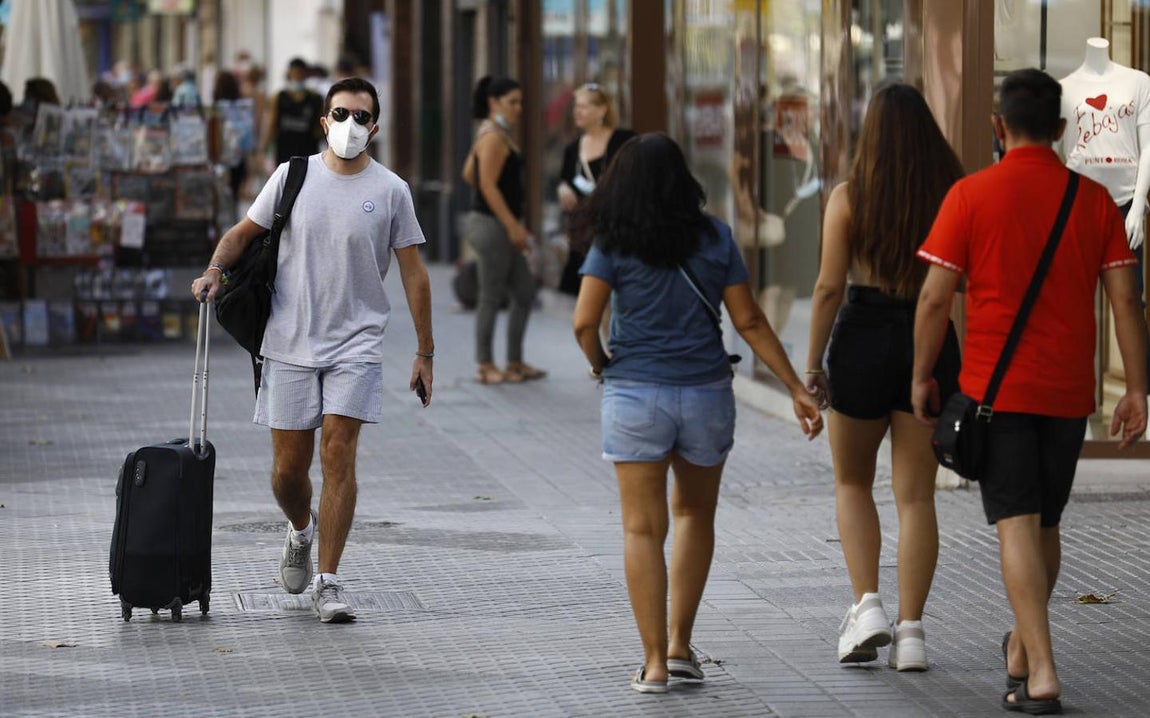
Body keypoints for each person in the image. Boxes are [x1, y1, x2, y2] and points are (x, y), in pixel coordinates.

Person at [913, 68, 1148, 713]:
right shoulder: (1093, 201)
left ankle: (1040, 670)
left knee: (1016, 524)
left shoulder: (970, 195)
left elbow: (935, 298)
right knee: (1045, 522)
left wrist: (922, 374)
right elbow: (1126, 298)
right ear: (1064, 130)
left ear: (998, 127)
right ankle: (1021, 645)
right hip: (1070, 393)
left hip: (996, 390)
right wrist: (1138, 388)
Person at [571, 133, 823, 693]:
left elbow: (585, 322)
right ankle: (682, 647)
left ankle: (654, 663)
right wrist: (795, 390)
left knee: (641, 528)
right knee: (693, 518)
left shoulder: (613, 240)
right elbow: (751, 321)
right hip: (707, 392)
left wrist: (601, 364)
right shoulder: (716, 237)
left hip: (635, 393)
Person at [190, 77, 435, 624]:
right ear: (324, 120)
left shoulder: (392, 190)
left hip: (357, 344)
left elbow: (416, 276)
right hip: (288, 340)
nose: (351, 124)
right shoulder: (292, 176)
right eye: (341, 113)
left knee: (338, 454)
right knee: (287, 471)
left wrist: (426, 352)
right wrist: (213, 271)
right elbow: (242, 234)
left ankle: (328, 580)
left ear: (376, 126)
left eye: (362, 115)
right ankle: (300, 529)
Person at [804, 83, 965, 671]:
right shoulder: (952, 195)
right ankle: (913, 632)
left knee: (852, 483)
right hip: (929, 336)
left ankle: (867, 605)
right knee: (916, 495)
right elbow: (963, 282)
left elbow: (825, 288)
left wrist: (811, 365)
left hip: (862, 337)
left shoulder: (850, 198)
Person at [461, 75, 544, 384]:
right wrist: (513, 226)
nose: (519, 108)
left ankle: (514, 361)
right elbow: (483, 182)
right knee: (491, 295)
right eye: (513, 102)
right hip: (493, 226)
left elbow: (468, 172)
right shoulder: (493, 136)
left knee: (523, 291)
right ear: (493, 102)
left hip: (494, 224)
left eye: (521, 102)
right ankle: (485, 364)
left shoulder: (493, 133)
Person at [556, 83, 635, 295]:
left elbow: (637, 181)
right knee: (592, 299)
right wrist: (563, 188)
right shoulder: (572, 149)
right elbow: (565, 179)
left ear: (602, 110)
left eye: (583, 106)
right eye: (575, 106)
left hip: (619, 231)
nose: (577, 112)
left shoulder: (624, 141)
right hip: (586, 236)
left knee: (617, 295)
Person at [261, 57, 324, 166]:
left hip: (308, 150)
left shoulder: (315, 98)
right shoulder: (279, 97)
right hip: (284, 150)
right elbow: (272, 124)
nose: (297, 77)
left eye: (300, 74)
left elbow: (321, 127)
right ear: (289, 74)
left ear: (305, 74)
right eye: (294, 74)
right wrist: (264, 147)